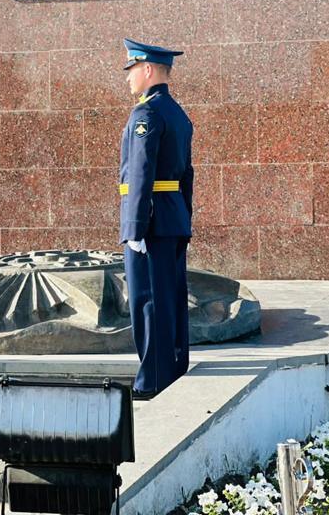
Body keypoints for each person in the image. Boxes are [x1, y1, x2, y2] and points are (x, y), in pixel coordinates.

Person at [119, 38, 194, 400]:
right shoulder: (177, 113)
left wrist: (134, 228)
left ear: (147, 70)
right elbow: (187, 175)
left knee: (147, 301)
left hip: (150, 222)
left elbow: (140, 174)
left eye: (131, 70)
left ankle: (152, 379)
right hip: (173, 218)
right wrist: (185, 218)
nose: (128, 78)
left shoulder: (146, 114)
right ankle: (176, 366)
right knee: (172, 297)